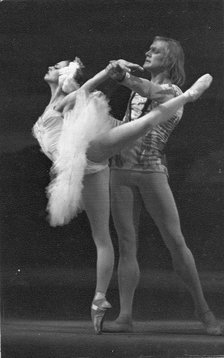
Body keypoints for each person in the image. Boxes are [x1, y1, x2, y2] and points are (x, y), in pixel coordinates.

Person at [32, 55, 213, 335]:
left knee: (142, 126)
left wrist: (110, 73)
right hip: (92, 164)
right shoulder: (60, 101)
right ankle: (103, 301)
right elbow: (80, 95)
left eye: (56, 66)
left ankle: (190, 96)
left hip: (96, 151)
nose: (50, 67)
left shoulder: (67, 98)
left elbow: (88, 91)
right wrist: (108, 74)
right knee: (104, 237)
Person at [104, 36, 222, 336]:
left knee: (175, 241)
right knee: (126, 244)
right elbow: (130, 121)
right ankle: (126, 316)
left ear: (168, 60)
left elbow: (150, 90)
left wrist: (121, 75)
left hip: (150, 170)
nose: (147, 52)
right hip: (120, 170)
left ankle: (204, 312)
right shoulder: (139, 90)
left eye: (154, 51)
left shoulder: (171, 91)